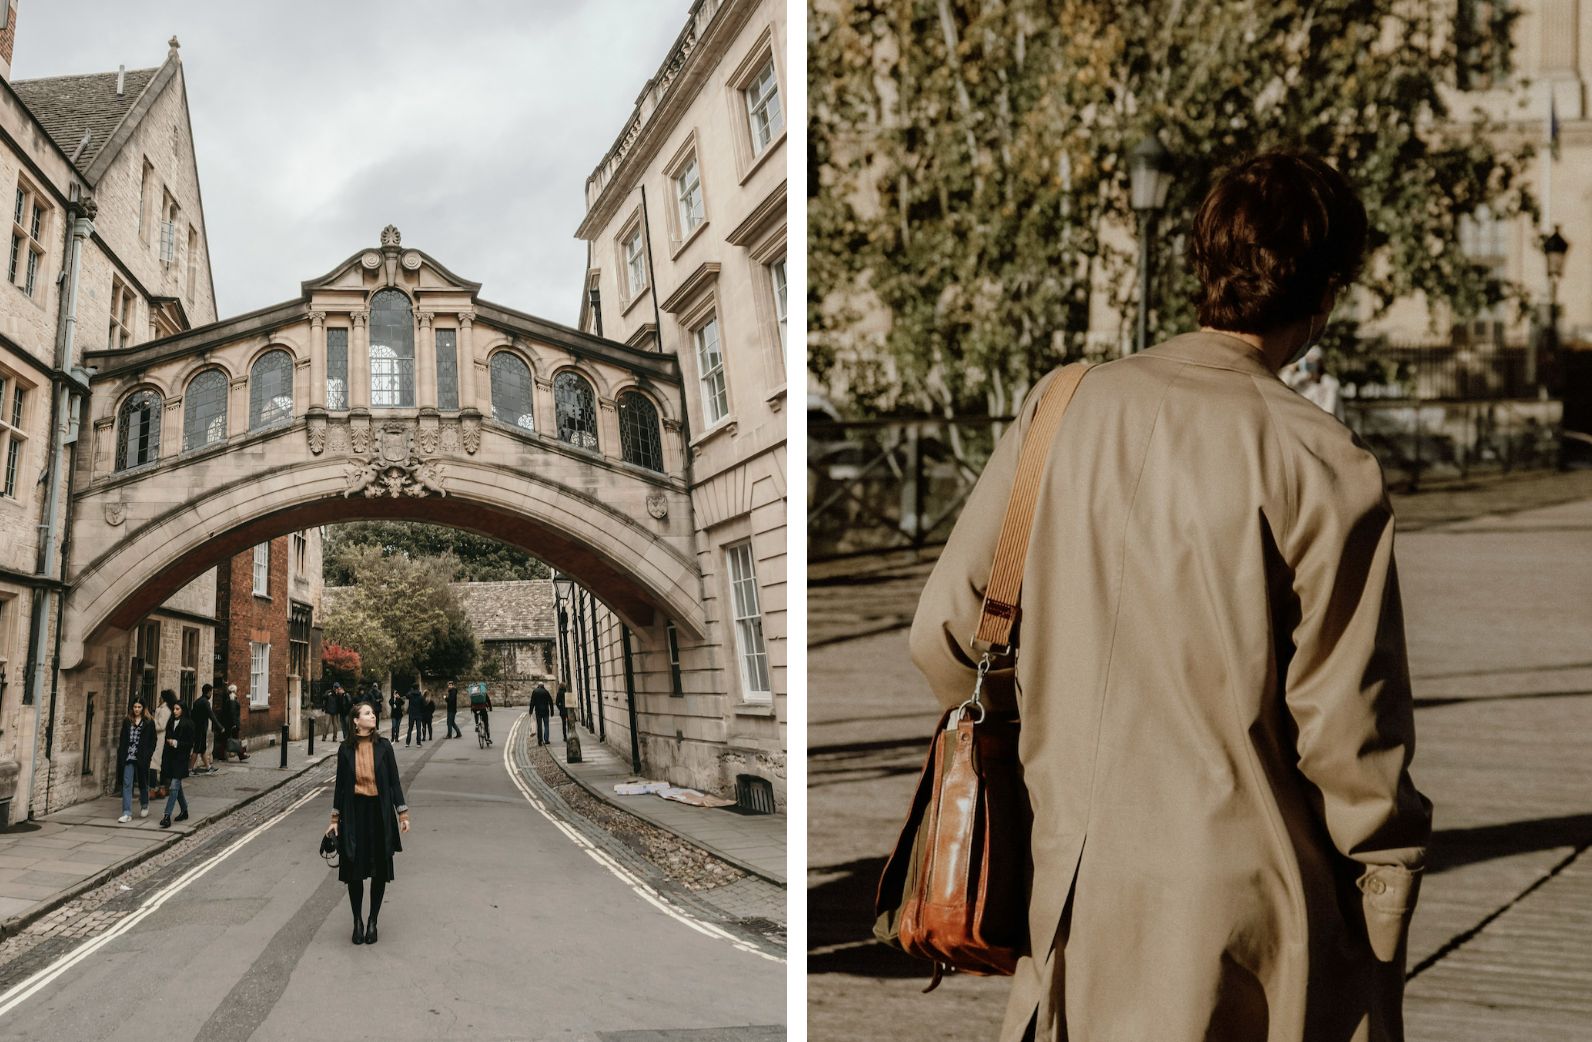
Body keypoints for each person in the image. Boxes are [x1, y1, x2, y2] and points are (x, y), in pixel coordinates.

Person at [909, 152, 1431, 1042]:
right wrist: (1381, 926)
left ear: (1203, 265)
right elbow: (1352, 745)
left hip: (1068, 886)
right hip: (1246, 918)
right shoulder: (1322, 460)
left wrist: (1053, 751)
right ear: (1329, 290)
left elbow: (946, 634)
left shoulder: (1061, 404)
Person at [327, 701, 410, 945]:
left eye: (373, 713)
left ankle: (373, 920)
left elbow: (394, 782)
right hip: (354, 814)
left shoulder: (384, 746)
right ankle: (357, 921)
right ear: (355, 720)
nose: (372, 716)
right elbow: (340, 787)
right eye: (367, 713)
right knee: (354, 870)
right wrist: (334, 820)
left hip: (380, 813)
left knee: (379, 871)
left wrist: (402, 813)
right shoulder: (344, 750)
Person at [116, 700, 157, 822]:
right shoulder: (127, 721)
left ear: (143, 708)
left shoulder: (149, 722)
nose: (137, 709)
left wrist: (149, 753)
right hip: (128, 756)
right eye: (135, 707)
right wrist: (121, 753)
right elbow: (123, 738)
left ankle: (145, 804)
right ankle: (126, 813)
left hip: (141, 756)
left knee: (142, 782)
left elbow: (153, 739)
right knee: (127, 783)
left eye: (139, 707)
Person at [1285, 344, 1346, 422]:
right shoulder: (1297, 382)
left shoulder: (1330, 385)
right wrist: (1290, 370)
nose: (1308, 364)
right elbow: (1278, 389)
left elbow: (1333, 412)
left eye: (1311, 360)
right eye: (1305, 360)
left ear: (1319, 363)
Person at [159, 699, 194, 828]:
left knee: (174, 786)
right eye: (174, 709)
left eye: (177, 709)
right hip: (170, 759)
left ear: (183, 710)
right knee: (177, 787)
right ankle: (184, 810)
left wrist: (176, 743)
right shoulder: (171, 722)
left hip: (181, 760)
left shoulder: (188, 724)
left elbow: (190, 744)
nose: (174, 711)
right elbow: (166, 741)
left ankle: (167, 815)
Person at [188, 685, 218, 774]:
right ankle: (190, 769)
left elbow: (193, 715)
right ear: (209, 692)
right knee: (197, 748)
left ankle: (208, 767)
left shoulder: (197, 701)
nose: (212, 693)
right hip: (201, 729)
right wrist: (220, 727)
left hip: (198, 728)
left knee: (202, 749)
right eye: (211, 691)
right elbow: (211, 715)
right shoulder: (205, 702)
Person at [151, 690, 175, 798]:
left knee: (154, 765)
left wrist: (151, 720)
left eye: (160, 697)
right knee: (159, 765)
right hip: (159, 739)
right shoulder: (165, 708)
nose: (159, 699)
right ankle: (161, 788)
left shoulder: (165, 710)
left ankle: (155, 790)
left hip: (159, 739)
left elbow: (161, 725)